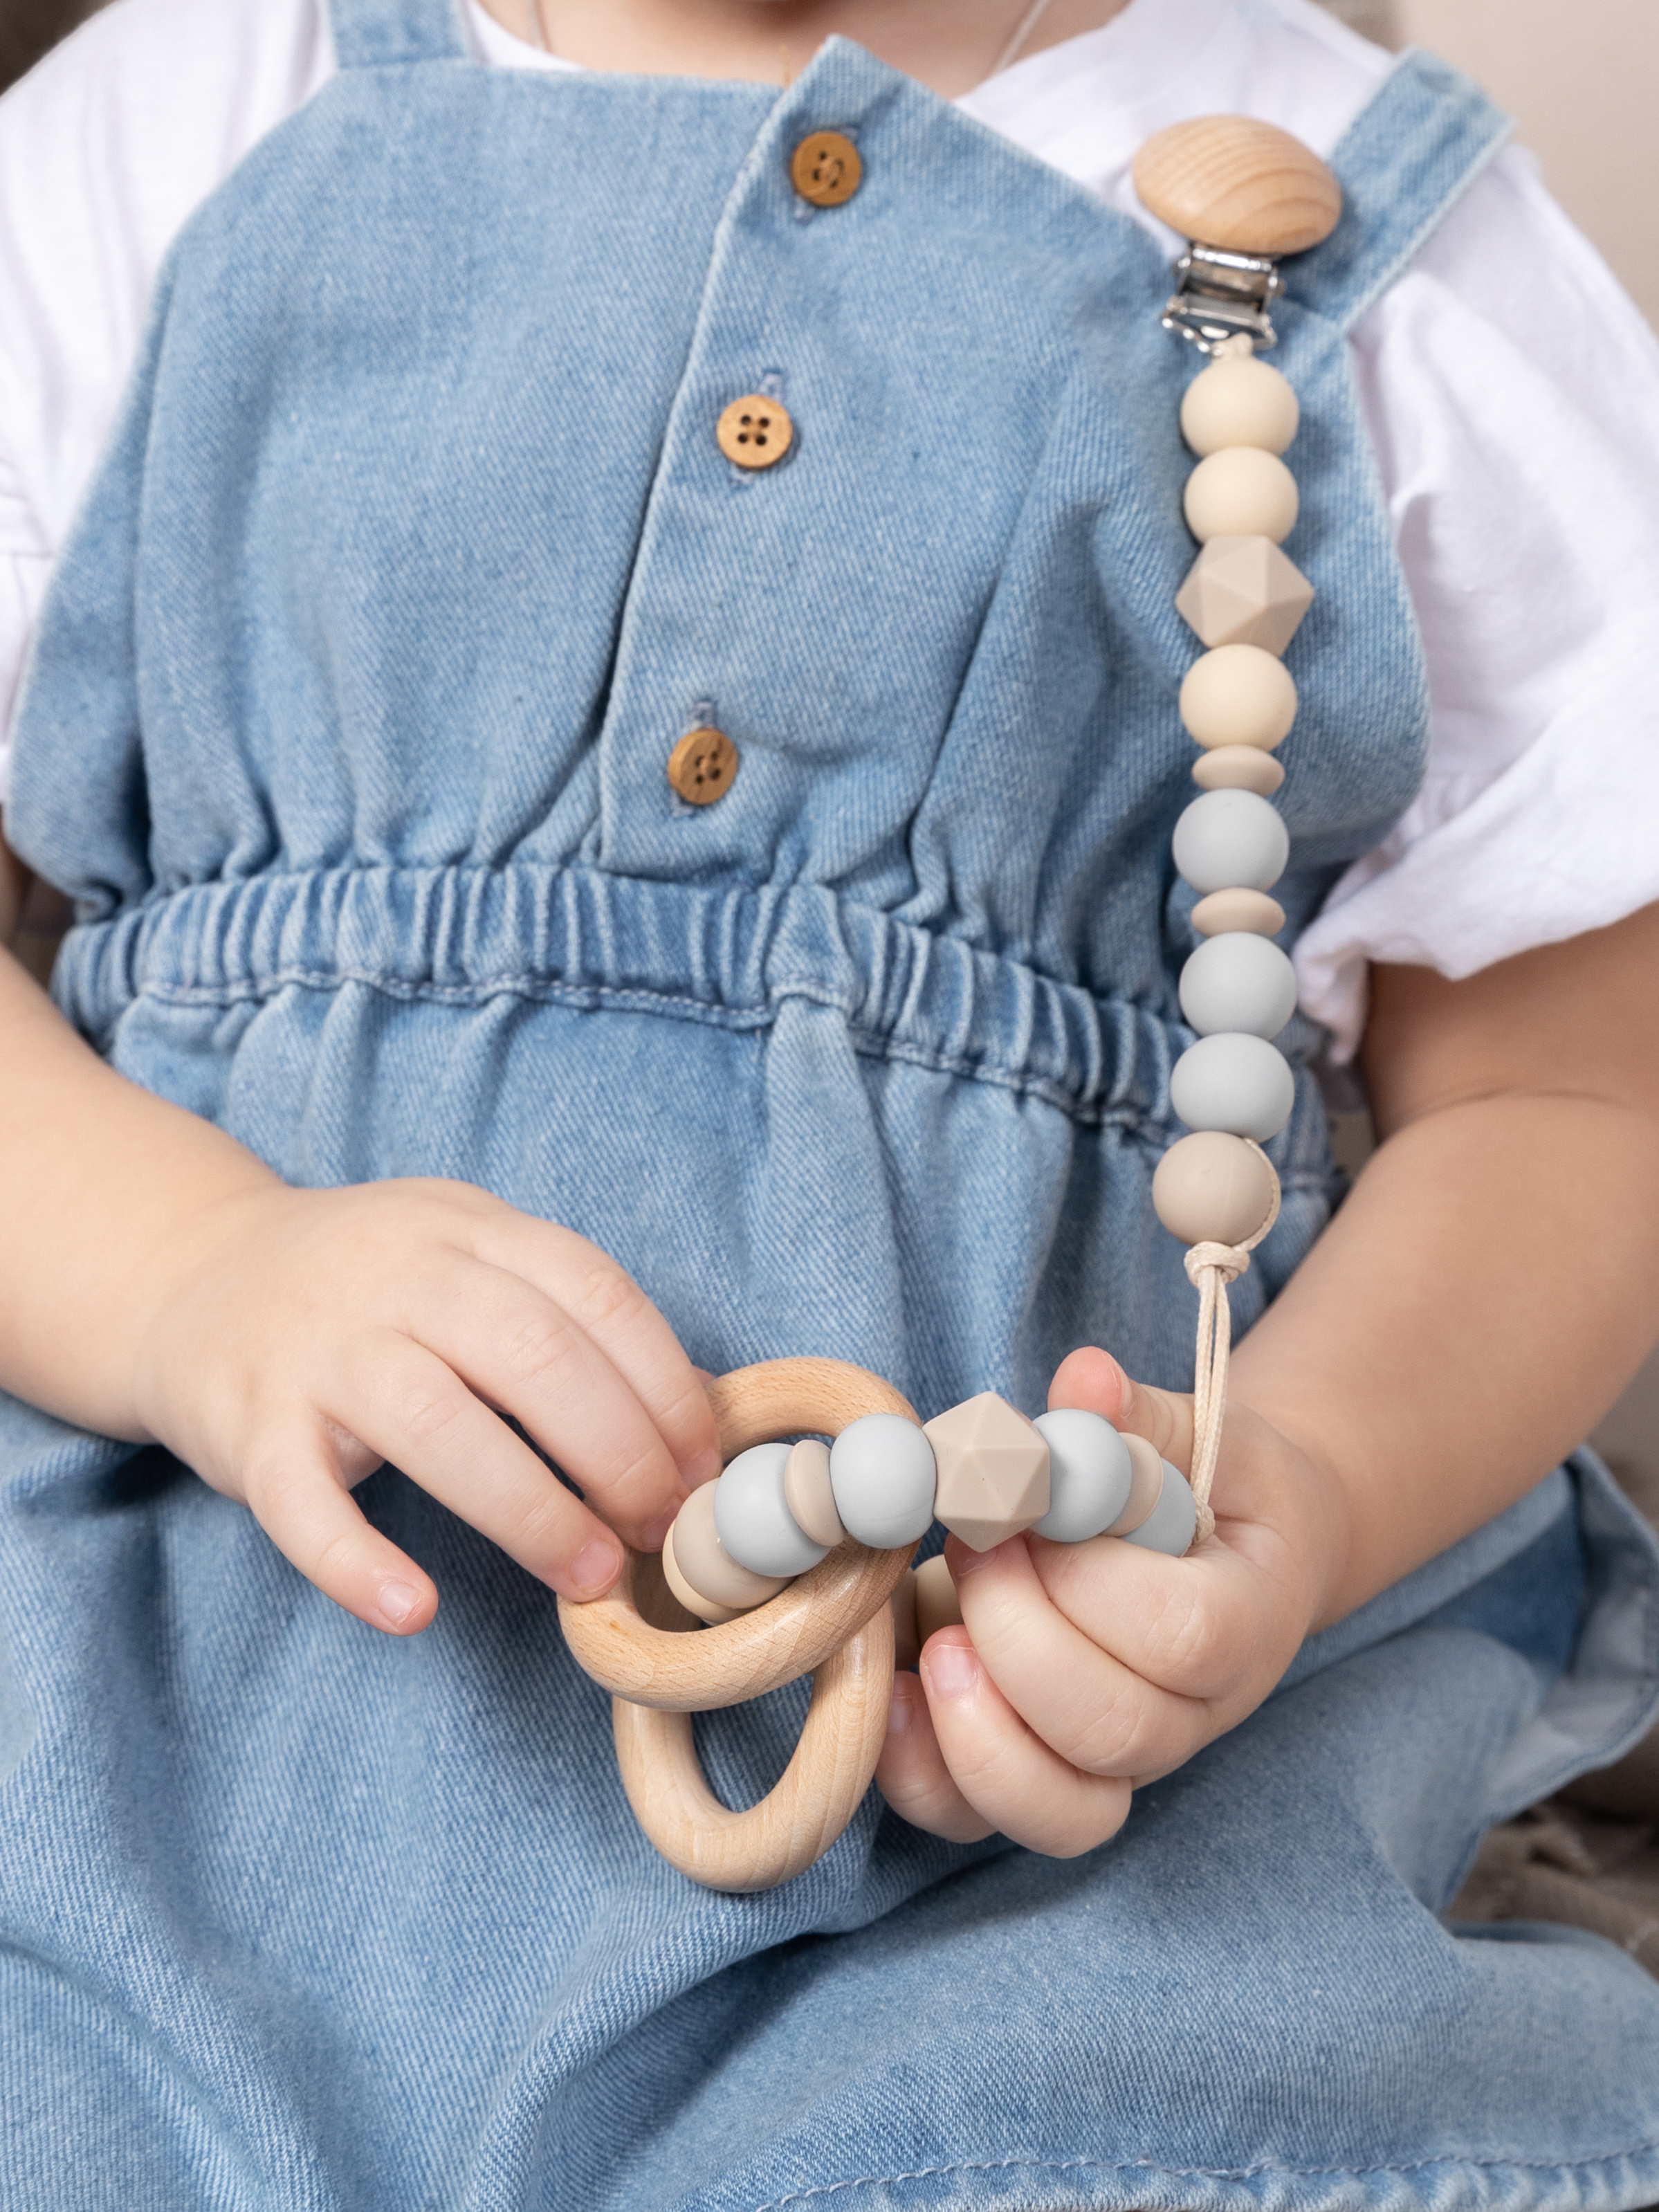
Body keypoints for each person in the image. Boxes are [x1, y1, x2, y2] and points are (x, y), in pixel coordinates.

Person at [2, 0, 1658, 2201]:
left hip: (995, 1808)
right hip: (148, 1707)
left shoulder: (1388, 237)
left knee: (1082, 2124)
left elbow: (1568, 1096)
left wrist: (1311, 1481)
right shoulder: (179, 117)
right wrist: (186, 1272)